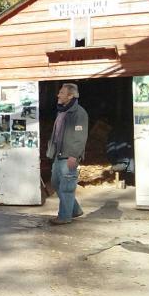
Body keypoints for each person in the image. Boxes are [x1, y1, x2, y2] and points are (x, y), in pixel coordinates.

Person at [46, 83, 89, 225]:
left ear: (70, 96)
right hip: (58, 155)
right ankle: (74, 210)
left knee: (67, 188)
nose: (58, 95)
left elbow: (80, 137)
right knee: (55, 183)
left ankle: (64, 217)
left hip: (68, 156)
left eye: (62, 93)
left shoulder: (79, 113)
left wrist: (74, 156)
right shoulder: (62, 111)